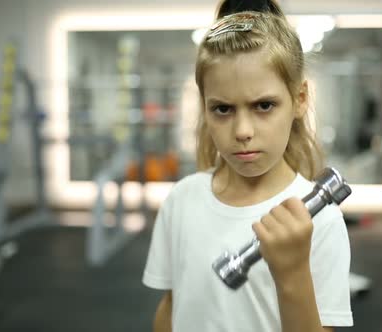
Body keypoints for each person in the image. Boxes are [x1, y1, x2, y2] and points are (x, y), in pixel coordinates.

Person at [142, 0, 353, 331]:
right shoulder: (182, 200)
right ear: (205, 107)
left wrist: (293, 273)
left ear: (299, 100)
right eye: (223, 109)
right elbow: (171, 307)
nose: (242, 131)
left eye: (264, 105)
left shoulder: (321, 222)